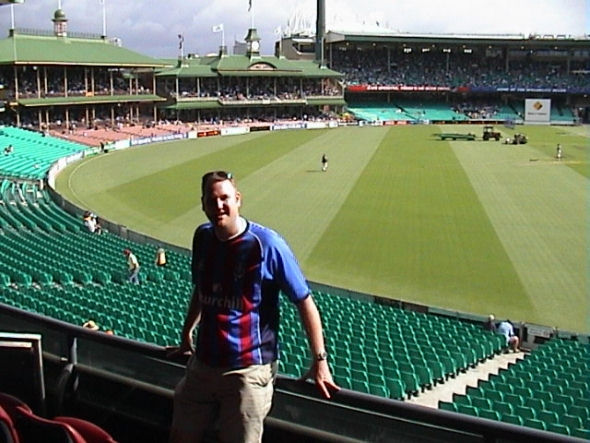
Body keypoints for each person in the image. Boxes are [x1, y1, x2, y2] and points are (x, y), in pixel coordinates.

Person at [168, 170, 339, 443]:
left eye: (225, 198)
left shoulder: (267, 245)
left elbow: (304, 301)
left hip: (247, 371)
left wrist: (320, 361)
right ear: (203, 205)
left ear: (238, 199)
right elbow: (201, 290)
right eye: (212, 201)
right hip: (203, 363)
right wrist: (187, 333)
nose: (219, 206)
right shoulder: (202, 237)